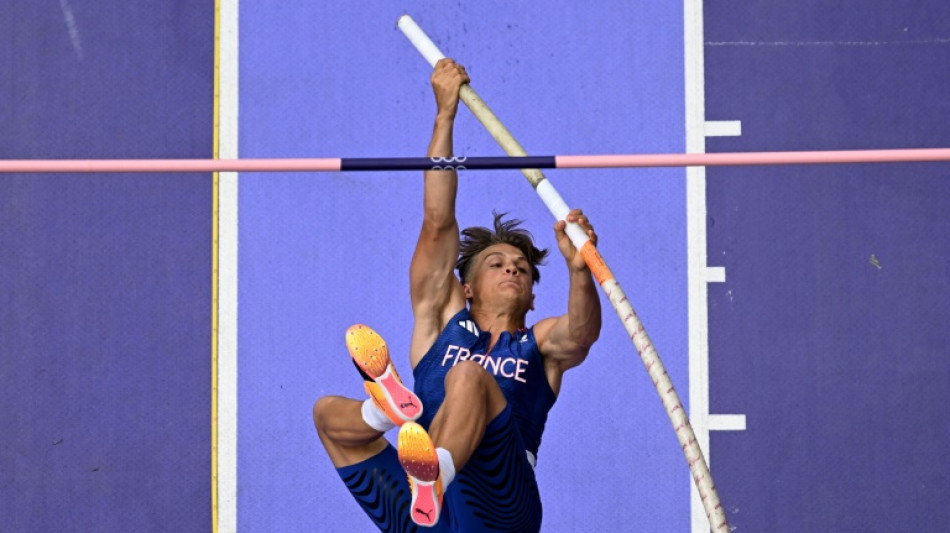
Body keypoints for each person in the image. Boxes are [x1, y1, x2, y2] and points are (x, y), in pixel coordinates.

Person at [312, 58, 602, 532]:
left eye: (523, 269)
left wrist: (580, 269)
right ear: (466, 287)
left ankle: (434, 473)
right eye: (497, 263)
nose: (512, 268)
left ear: (532, 297)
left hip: (503, 507)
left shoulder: (539, 344)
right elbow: (437, 222)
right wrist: (445, 115)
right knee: (328, 415)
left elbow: (582, 333)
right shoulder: (442, 324)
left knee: (468, 377)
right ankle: (385, 411)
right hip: (429, 521)